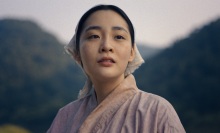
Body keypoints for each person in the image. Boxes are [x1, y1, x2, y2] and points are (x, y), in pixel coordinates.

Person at [47, 4, 185, 133]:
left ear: (132, 52)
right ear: (77, 54)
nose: (106, 46)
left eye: (119, 36)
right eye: (94, 36)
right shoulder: (65, 116)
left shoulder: (156, 111)